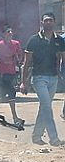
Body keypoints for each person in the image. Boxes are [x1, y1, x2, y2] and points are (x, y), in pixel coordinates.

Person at [20, 12, 65, 146]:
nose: (48, 22)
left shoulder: (59, 40)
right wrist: (24, 82)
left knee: (44, 107)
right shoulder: (33, 40)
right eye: (46, 20)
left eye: (51, 20)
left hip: (53, 78)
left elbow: (63, 58)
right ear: (41, 23)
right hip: (39, 77)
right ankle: (54, 138)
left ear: (54, 22)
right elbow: (26, 63)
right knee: (47, 106)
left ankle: (36, 136)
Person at [0, 26, 24, 125]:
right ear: (3, 34)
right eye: (7, 32)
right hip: (3, 73)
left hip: (12, 72)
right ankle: (15, 118)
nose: (10, 33)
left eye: (11, 32)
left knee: (1, 95)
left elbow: (19, 56)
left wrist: (18, 61)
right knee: (11, 93)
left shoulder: (16, 44)